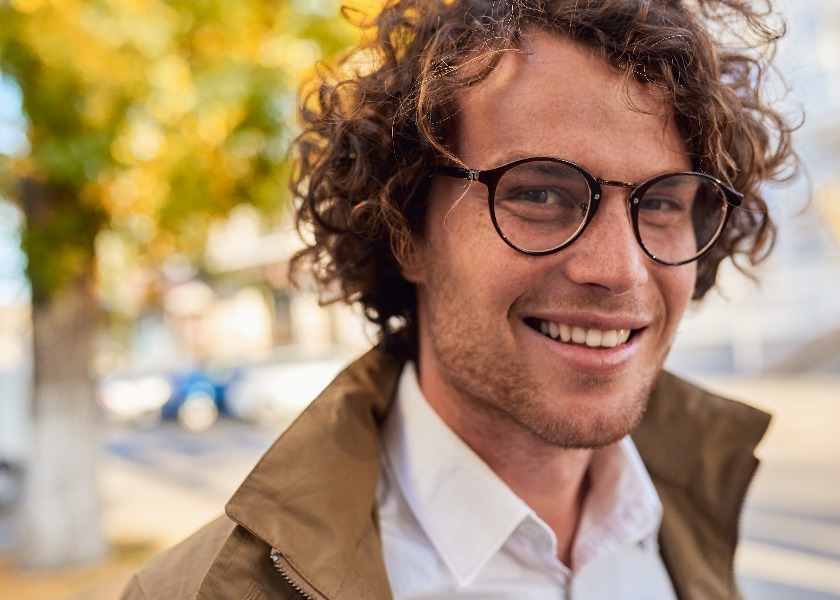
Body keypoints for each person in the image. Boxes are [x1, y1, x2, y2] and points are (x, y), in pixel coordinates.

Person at [122, 0, 797, 598]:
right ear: (407, 231)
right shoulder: (202, 592)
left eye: (663, 203)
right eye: (538, 193)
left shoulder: (691, 516)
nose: (619, 270)